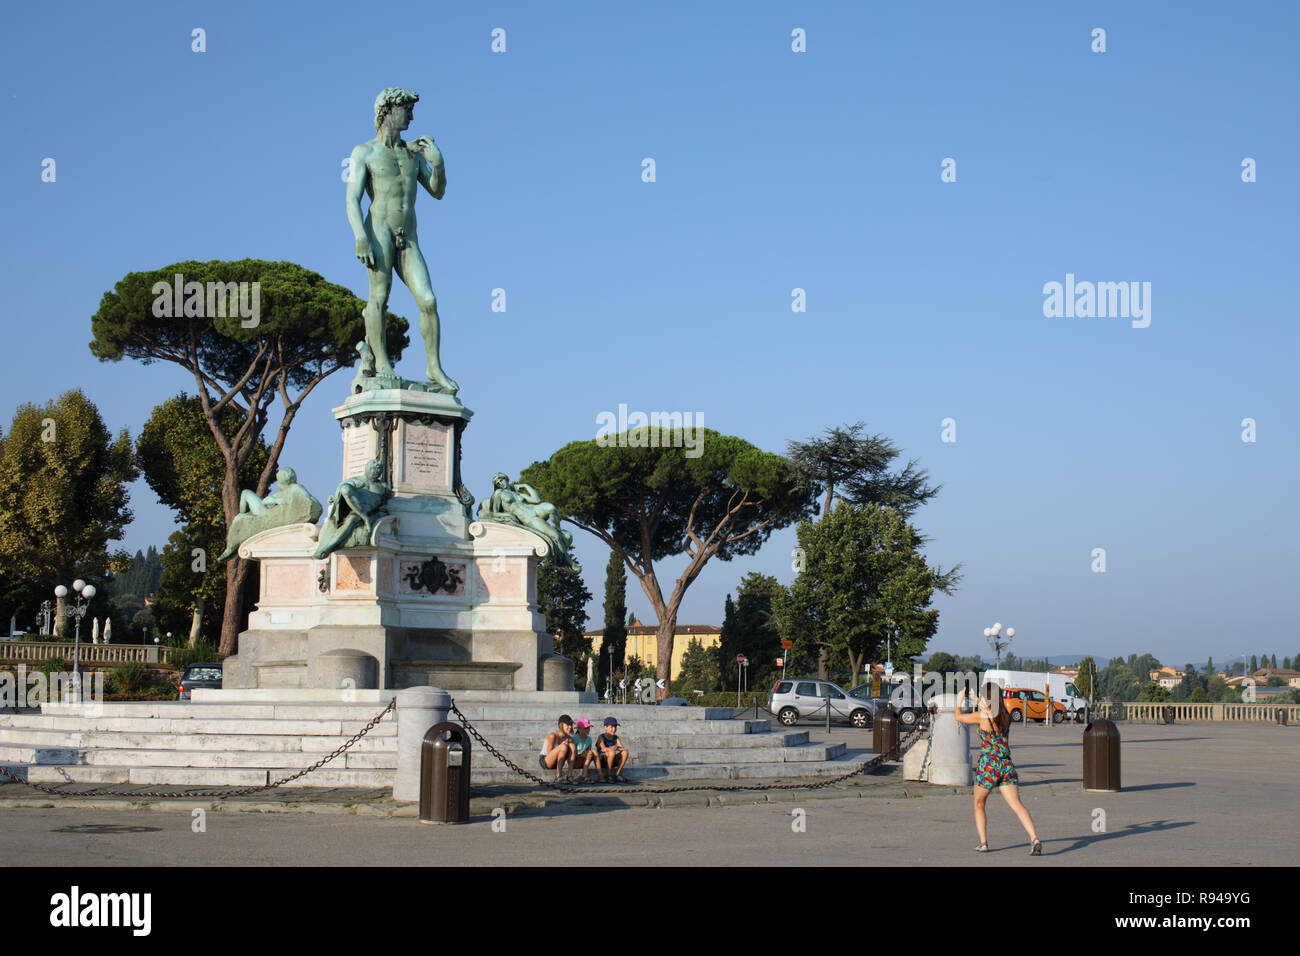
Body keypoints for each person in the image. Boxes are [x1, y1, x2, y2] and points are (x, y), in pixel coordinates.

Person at [955, 684, 1043, 855]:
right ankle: (1034, 838)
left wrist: (959, 701)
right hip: (1006, 765)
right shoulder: (1005, 716)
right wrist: (977, 699)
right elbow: (990, 710)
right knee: (1017, 804)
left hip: (989, 766)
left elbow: (958, 717)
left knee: (979, 804)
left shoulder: (982, 716)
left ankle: (983, 842)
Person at [539, 714, 575, 782]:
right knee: (563, 746)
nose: (570, 727)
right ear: (561, 725)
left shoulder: (569, 739)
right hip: (546, 761)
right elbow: (549, 754)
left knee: (572, 746)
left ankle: (570, 775)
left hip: (558, 763)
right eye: (568, 725)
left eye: (571, 725)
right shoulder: (553, 736)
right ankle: (558, 776)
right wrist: (560, 747)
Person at [596, 717, 629, 783]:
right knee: (611, 752)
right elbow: (604, 749)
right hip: (603, 761)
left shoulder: (616, 737)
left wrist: (615, 747)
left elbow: (621, 747)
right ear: (605, 727)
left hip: (612, 759)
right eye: (611, 727)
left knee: (625, 752)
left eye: (615, 727)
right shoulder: (601, 737)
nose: (614, 729)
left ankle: (617, 774)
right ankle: (609, 775)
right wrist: (615, 747)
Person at [570, 718, 600, 783]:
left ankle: (600, 775)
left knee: (593, 752)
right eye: (585, 728)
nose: (587, 729)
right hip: (575, 762)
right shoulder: (574, 738)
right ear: (579, 729)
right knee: (589, 753)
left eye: (588, 727)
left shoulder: (589, 739)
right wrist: (581, 755)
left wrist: (586, 754)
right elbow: (571, 755)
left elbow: (588, 752)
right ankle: (584, 775)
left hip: (585, 761)